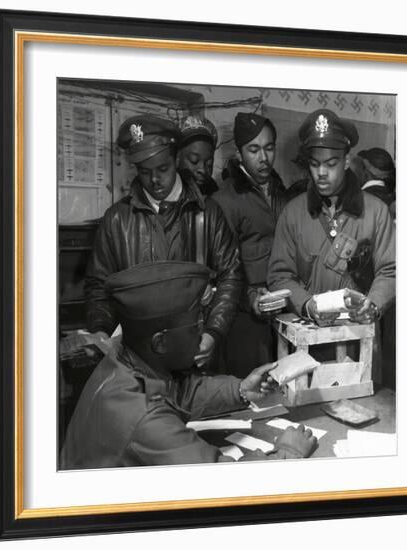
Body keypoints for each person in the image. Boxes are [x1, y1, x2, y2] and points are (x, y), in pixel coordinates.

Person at [61, 261, 317, 468]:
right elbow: (229, 488)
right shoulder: (145, 419)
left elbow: (176, 393)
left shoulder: (124, 355)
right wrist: (286, 453)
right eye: (195, 325)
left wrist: (240, 390)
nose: (202, 333)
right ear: (160, 342)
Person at [84, 115, 242, 368]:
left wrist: (214, 333)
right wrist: (101, 330)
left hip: (195, 352)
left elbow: (230, 277)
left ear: (176, 159)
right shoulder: (116, 220)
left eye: (163, 169)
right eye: (145, 172)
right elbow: (98, 286)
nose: (154, 180)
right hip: (136, 360)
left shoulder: (208, 213)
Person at [267, 108, 395, 333]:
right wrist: (306, 304)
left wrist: (373, 304)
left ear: (346, 161)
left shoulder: (376, 212)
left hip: (360, 336)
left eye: (331, 163)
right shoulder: (293, 213)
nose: (321, 173)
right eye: (315, 164)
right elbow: (280, 275)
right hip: (310, 341)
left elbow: (391, 271)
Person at [212, 112, 306, 376]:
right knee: (254, 393)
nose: (263, 158)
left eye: (269, 148)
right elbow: (223, 270)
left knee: (289, 390)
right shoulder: (225, 201)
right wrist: (249, 297)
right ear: (239, 153)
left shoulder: (282, 194)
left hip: (286, 314)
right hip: (246, 322)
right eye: (253, 150)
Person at [177, 115, 219, 196]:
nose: (202, 170)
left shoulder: (218, 201)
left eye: (209, 164)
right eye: (194, 161)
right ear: (176, 158)